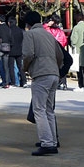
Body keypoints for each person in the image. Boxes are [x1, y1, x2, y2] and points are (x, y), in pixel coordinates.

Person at [22, 11, 63, 156]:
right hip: (53, 73)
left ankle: (47, 143)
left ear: (27, 24)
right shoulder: (49, 35)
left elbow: (28, 54)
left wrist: (25, 68)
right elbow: (60, 55)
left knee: (39, 109)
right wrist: (55, 67)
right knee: (49, 109)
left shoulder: (30, 35)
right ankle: (52, 140)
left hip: (41, 73)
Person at [69, 13, 84, 91]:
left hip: (78, 49)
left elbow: (74, 39)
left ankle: (80, 85)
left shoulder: (76, 27)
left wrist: (72, 45)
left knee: (79, 68)